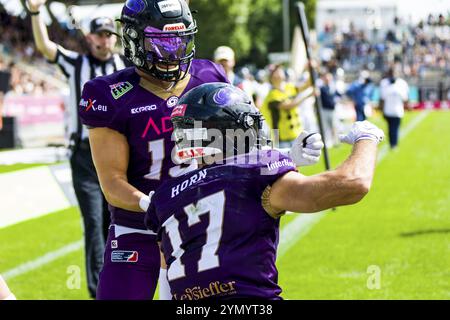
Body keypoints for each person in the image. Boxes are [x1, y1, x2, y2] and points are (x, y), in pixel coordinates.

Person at [79, 0, 323, 300]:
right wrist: (154, 206)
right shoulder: (108, 93)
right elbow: (112, 183)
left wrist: (285, 157)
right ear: (132, 38)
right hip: (137, 227)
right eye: (162, 42)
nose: (173, 52)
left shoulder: (210, 75)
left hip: (199, 225)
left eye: (180, 40)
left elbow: (240, 147)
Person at [145, 83, 384, 300]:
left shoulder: (166, 196)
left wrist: (288, 159)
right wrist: (366, 138)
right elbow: (353, 184)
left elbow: (168, 275)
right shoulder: (257, 175)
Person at [26, 0, 129, 298]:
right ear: (90, 37)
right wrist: (34, 12)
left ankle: (120, 284)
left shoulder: (124, 67)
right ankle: (99, 292)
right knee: (95, 223)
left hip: (119, 155)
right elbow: (45, 47)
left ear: (115, 37)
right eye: (100, 34)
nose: (105, 39)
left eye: (110, 34)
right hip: (85, 157)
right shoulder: (76, 63)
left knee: (118, 224)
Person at [260, 64, 310, 148]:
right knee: (286, 161)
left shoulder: (289, 87)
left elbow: (307, 85)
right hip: (281, 139)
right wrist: (309, 95)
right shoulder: (272, 95)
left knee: (299, 160)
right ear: (271, 76)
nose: (280, 71)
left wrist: (310, 69)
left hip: (296, 135)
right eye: (276, 70)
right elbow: (289, 106)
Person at [379, 67, 409, 150]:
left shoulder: (402, 84)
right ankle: (393, 144)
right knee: (391, 128)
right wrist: (381, 110)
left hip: (397, 111)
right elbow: (382, 98)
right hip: (388, 110)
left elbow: (405, 98)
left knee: (394, 128)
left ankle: (393, 144)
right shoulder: (384, 83)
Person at [319, 72, 340, 147]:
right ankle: (326, 142)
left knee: (334, 126)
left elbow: (339, 95)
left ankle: (335, 142)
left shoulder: (333, 87)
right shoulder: (321, 88)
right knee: (325, 128)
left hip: (332, 110)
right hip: (324, 110)